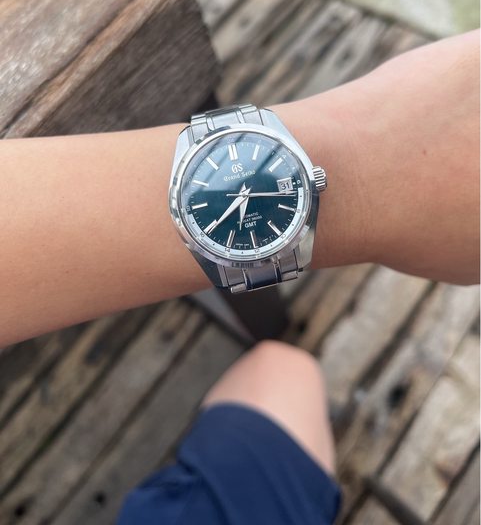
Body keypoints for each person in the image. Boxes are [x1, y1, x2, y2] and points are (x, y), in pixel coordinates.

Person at [0, 31, 479, 524]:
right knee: (282, 368)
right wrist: (361, 167)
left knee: (282, 370)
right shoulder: (222, 192)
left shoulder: (255, 178)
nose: (245, 195)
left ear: (313, 180)